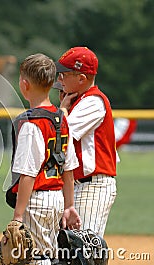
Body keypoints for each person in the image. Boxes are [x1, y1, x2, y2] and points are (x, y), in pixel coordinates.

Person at [8, 53, 81, 264]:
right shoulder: (61, 119)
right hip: (57, 197)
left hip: (37, 199)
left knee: (36, 258)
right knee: (50, 255)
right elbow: (68, 169)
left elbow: (28, 174)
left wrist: (18, 216)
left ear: (24, 84)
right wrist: (69, 206)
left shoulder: (31, 123)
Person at [56, 46, 118, 237]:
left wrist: (62, 111)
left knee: (83, 249)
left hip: (92, 186)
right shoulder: (79, 100)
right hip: (77, 185)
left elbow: (62, 133)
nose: (59, 79)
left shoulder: (93, 102)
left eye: (64, 74)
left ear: (81, 78)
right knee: (69, 250)